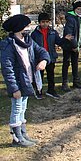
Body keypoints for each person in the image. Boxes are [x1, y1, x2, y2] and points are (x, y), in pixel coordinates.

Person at [1, 14, 50, 147]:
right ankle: (16, 138)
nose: (29, 28)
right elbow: (7, 69)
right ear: (19, 28)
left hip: (28, 81)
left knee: (23, 109)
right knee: (16, 110)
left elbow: (41, 51)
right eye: (26, 25)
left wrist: (44, 61)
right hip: (18, 84)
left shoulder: (28, 41)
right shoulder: (8, 45)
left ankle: (23, 133)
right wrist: (14, 88)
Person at [31, 12, 66, 99]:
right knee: (39, 76)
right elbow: (32, 47)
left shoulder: (53, 32)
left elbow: (59, 41)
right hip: (39, 59)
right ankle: (38, 91)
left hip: (50, 57)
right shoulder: (34, 34)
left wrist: (65, 39)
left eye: (47, 22)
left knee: (51, 75)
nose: (45, 24)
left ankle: (51, 90)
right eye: (43, 22)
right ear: (39, 22)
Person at [61, 1, 81, 91]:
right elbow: (69, 34)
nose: (80, 11)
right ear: (75, 9)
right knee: (66, 63)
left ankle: (76, 81)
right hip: (69, 45)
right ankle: (64, 83)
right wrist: (74, 46)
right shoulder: (71, 19)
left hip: (77, 46)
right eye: (78, 9)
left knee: (75, 63)